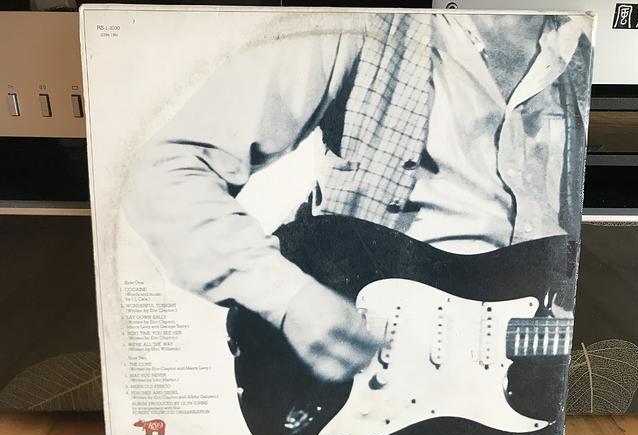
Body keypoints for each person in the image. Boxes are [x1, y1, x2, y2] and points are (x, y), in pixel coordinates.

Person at [123, 12, 593, 385]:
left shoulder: (581, 51)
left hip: (523, 379)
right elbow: (164, 173)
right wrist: (291, 299)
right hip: (376, 383)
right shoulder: (358, 23)